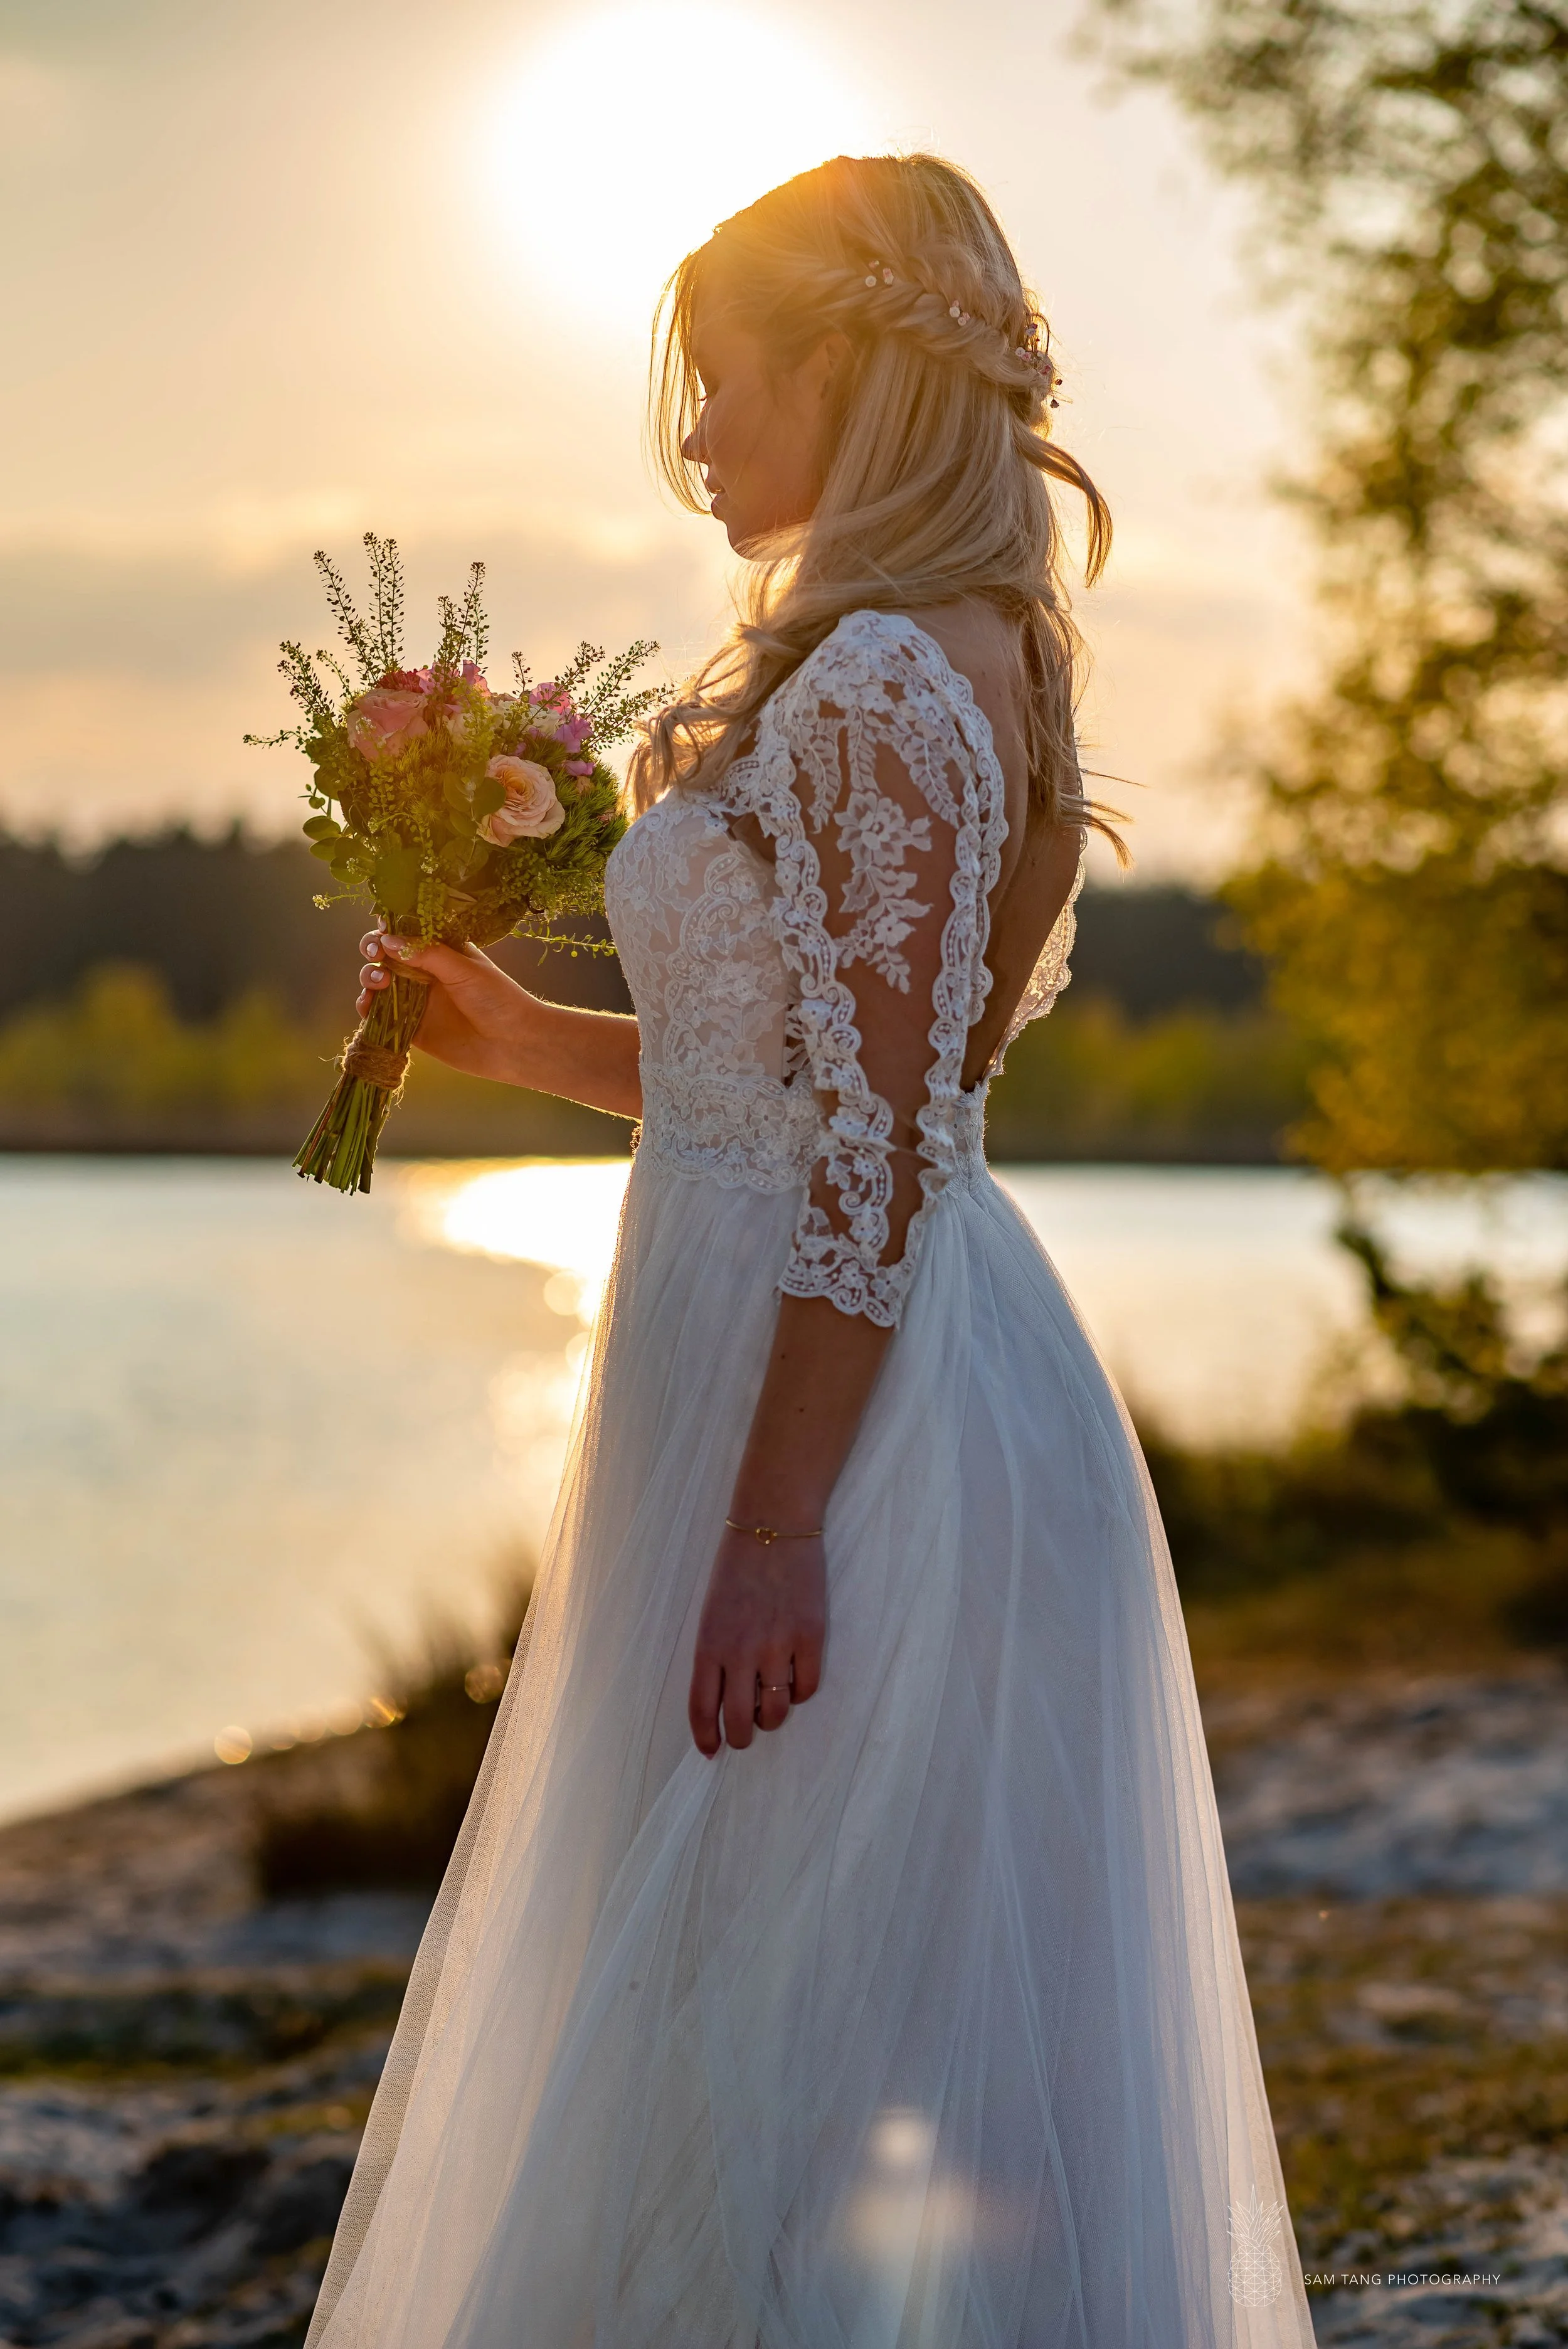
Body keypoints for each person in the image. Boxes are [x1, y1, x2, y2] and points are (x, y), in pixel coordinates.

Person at [307, 153, 1313, 2348]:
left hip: (844, 1421)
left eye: (726, 381)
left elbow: (863, 1156)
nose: (697, 441)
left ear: (854, 376)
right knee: (766, 2003)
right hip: (816, 1355)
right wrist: (512, 1035)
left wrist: (775, 1529)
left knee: (795, 2017)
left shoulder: (877, 681)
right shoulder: (963, 654)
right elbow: (783, 1086)